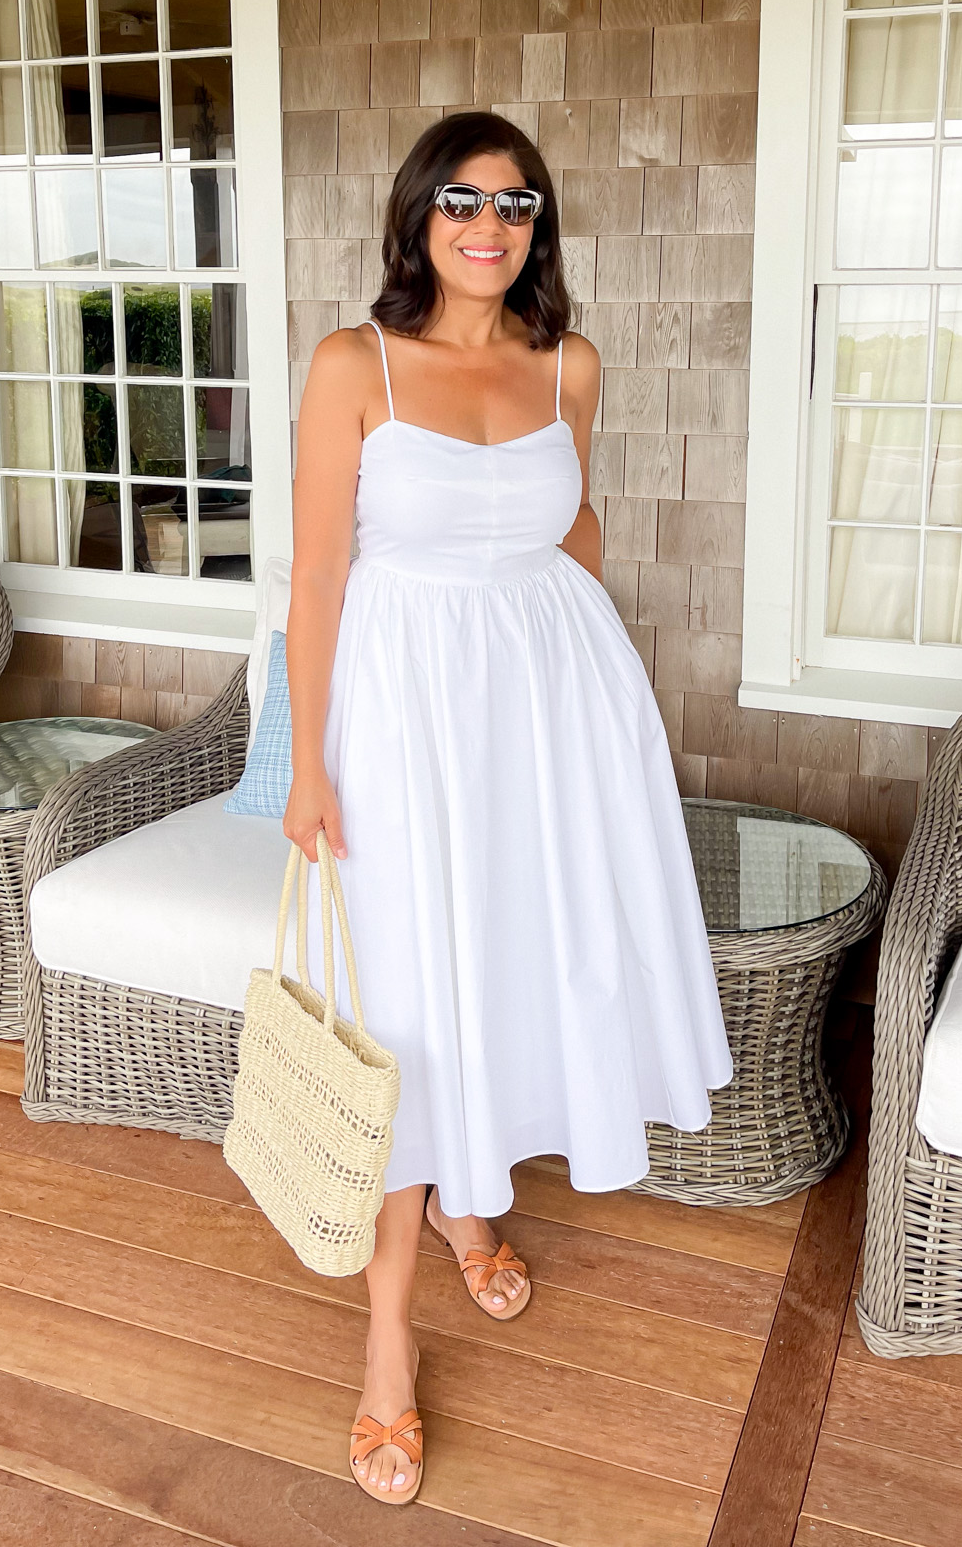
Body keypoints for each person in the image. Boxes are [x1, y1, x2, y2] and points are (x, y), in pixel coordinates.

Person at [284, 111, 732, 1508]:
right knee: (410, 1007)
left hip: (548, 711)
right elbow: (315, 581)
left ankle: (478, 1197)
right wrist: (309, 766)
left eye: (518, 205)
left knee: (518, 966)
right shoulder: (352, 365)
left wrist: (596, 690)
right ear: (418, 217)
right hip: (405, 720)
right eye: (463, 202)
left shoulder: (566, 367)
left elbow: (572, 529)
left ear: (539, 226)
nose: (490, 227)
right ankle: (386, 1363)